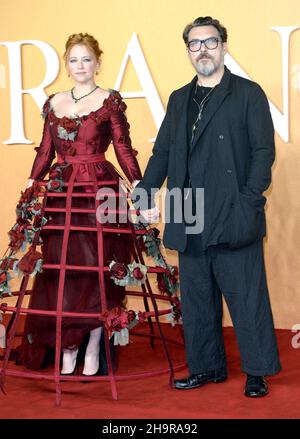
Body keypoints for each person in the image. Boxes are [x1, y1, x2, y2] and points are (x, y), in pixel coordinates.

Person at [133, 16, 281, 397]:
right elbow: (163, 152)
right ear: (188, 51)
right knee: (197, 300)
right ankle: (206, 368)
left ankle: (256, 371)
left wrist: (250, 200)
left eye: (210, 42)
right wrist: (146, 191)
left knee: (246, 296)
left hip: (234, 208)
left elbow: (263, 152)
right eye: (195, 44)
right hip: (187, 208)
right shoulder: (180, 99)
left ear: (224, 46)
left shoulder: (248, 93)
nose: (203, 49)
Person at [13, 33, 142, 375]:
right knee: (64, 269)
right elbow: (45, 149)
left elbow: (123, 146)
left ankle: (94, 344)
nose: (80, 66)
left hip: (101, 190)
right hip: (62, 193)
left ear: (98, 62)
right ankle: (68, 344)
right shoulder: (54, 101)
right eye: (74, 60)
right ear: (66, 65)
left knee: (99, 266)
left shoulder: (109, 100)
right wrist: (33, 181)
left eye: (86, 59)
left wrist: (138, 182)